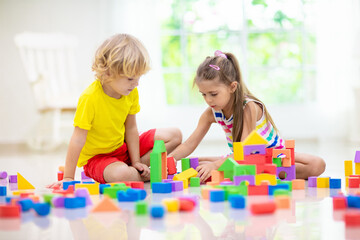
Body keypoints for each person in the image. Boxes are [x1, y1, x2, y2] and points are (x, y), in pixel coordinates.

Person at [168, 50, 325, 183]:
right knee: (193, 164)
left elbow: (245, 149)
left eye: (213, 94)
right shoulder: (211, 112)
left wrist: (216, 165)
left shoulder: (249, 107)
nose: (208, 100)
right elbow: (189, 144)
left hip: (270, 157)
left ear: (232, 87)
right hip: (243, 158)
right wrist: (166, 162)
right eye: (203, 94)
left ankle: (251, 171)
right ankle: (238, 169)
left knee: (317, 164)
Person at [48, 34, 182, 187]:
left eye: (139, 78)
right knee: (120, 174)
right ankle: (147, 175)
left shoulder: (130, 92)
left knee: (175, 135)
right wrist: (68, 178)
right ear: (108, 73)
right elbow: (77, 139)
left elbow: (131, 128)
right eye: (130, 79)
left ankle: (135, 170)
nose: (136, 84)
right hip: (99, 159)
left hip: (123, 149)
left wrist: (137, 161)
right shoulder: (90, 98)